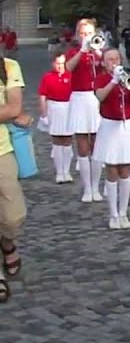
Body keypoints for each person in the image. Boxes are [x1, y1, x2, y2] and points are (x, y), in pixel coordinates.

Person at [92, 49, 130, 230]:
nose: (114, 62)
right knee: (111, 170)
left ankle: (123, 213)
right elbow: (100, 96)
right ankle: (113, 214)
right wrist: (113, 81)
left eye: (116, 59)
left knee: (125, 171)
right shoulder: (101, 79)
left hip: (126, 126)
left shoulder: (128, 77)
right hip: (109, 126)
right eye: (110, 59)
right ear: (104, 63)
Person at [0, 49, 30, 303]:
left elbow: (13, 108)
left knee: (14, 216)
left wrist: (12, 113)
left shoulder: (8, 66)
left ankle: (7, 243)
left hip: (2, 151)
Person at [65, 18, 105, 203]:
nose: (86, 37)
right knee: (82, 146)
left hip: (96, 97)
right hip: (80, 98)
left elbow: (109, 67)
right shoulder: (74, 52)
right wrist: (82, 50)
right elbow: (69, 67)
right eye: (82, 34)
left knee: (97, 144)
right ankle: (87, 188)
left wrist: (98, 52)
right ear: (77, 35)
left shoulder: (99, 52)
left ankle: (96, 187)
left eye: (89, 33)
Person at [37, 54, 74, 183]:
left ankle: (67, 171)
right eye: (58, 63)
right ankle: (59, 172)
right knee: (57, 141)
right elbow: (42, 97)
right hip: (54, 108)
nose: (60, 66)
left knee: (67, 141)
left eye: (62, 63)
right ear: (53, 63)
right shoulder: (47, 77)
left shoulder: (71, 76)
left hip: (68, 108)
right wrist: (44, 115)